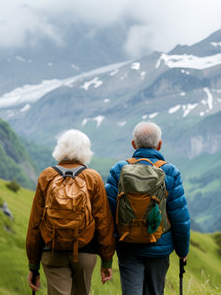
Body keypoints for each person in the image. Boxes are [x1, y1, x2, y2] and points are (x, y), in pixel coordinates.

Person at [26, 129, 115, 295]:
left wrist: (33, 266)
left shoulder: (47, 176)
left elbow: (35, 223)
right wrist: (106, 261)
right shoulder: (93, 177)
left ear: (60, 149)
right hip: (85, 252)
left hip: (52, 250)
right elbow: (103, 222)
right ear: (85, 151)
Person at [105, 121, 190, 295]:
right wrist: (182, 251)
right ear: (159, 145)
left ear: (133, 144)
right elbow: (180, 216)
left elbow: (109, 213)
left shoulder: (119, 169)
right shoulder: (170, 172)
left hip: (128, 245)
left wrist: (108, 249)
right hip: (159, 245)